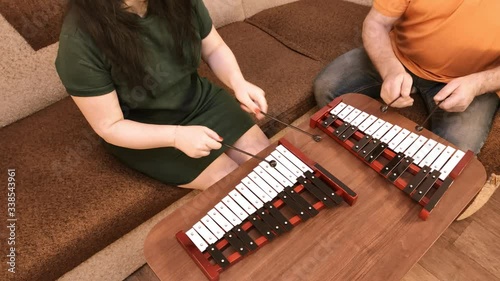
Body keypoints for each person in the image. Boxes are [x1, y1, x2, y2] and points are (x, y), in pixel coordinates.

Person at [55, 0, 270, 190]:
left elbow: (213, 48)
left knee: (266, 163)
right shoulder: (78, 40)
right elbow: (109, 126)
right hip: (146, 130)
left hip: (199, 100)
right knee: (231, 181)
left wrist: (238, 83)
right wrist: (176, 137)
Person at [314, 0, 499, 154]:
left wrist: (478, 84)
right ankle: (352, 156)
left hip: (472, 79)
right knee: (327, 87)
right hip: (398, 55)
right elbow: (376, 23)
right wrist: (390, 69)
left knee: (456, 152)